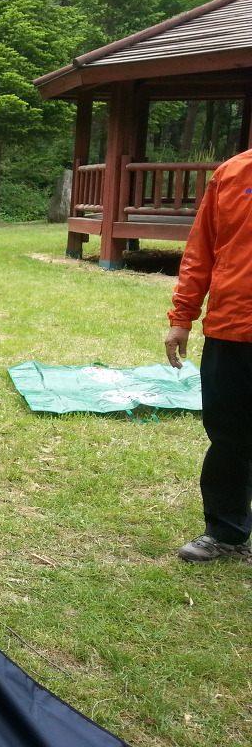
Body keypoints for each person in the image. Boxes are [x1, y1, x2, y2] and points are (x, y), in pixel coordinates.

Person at [165, 147, 252, 563]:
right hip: (231, 328)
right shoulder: (233, 173)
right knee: (230, 436)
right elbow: (201, 249)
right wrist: (182, 316)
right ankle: (226, 531)